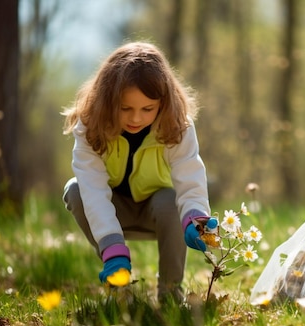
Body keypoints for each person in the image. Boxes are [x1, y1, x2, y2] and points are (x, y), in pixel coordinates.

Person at [62, 42, 216, 304]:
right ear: (107, 101)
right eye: (125, 108)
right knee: (75, 191)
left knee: (169, 200)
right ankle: (120, 287)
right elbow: (94, 192)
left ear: (163, 103)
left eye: (147, 109)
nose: (136, 118)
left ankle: (170, 293)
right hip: (112, 210)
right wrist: (112, 247)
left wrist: (197, 221)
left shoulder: (177, 126)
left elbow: (190, 177)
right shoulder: (90, 126)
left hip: (158, 214)